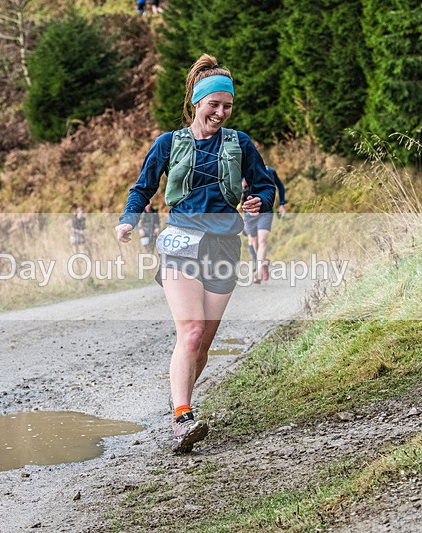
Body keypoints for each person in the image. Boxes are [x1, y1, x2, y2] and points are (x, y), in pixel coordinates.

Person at [115, 54, 275, 453]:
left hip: (224, 243)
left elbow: (265, 186)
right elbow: (142, 188)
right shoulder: (168, 143)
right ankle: (183, 418)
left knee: (202, 343)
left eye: (228, 106)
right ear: (195, 100)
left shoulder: (240, 144)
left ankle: (179, 398)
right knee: (190, 332)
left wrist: (259, 201)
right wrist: (128, 220)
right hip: (181, 241)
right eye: (213, 104)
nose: (220, 112)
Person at [243, 166, 286, 284]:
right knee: (254, 243)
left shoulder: (270, 172)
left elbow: (280, 187)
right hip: (249, 213)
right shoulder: (243, 171)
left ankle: (258, 270)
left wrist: (282, 204)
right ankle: (263, 262)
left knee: (262, 241)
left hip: (266, 211)